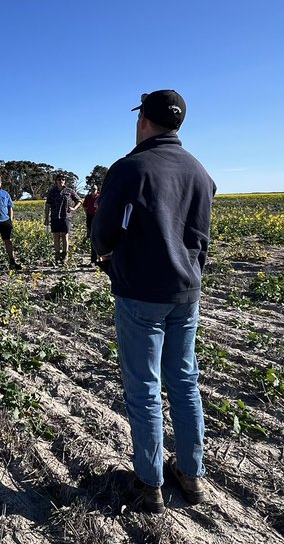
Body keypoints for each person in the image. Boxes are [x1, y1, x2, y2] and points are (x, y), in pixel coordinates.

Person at [92, 89, 215, 511]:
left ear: (142, 119)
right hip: (187, 292)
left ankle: (149, 484)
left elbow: (103, 233)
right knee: (184, 382)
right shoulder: (200, 171)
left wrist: (108, 256)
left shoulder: (130, 167)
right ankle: (192, 475)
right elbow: (201, 238)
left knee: (144, 387)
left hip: (141, 294)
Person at [43, 174, 82, 265]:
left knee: (65, 236)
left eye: (63, 179)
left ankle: (65, 256)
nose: (61, 181)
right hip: (55, 217)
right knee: (56, 236)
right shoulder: (52, 192)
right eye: (59, 179)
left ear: (65, 181)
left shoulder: (69, 191)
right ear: (56, 181)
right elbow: (47, 205)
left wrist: (74, 208)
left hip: (66, 217)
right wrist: (46, 218)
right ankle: (57, 257)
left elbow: (79, 200)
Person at [82, 184, 100, 266]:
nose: (93, 190)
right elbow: (85, 207)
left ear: (97, 189)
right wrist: (88, 216)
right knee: (92, 239)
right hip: (90, 217)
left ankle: (100, 259)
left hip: (98, 218)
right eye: (92, 189)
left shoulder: (100, 197)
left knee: (99, 239)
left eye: (95, 189)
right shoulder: (88, 197)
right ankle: (93, 260)